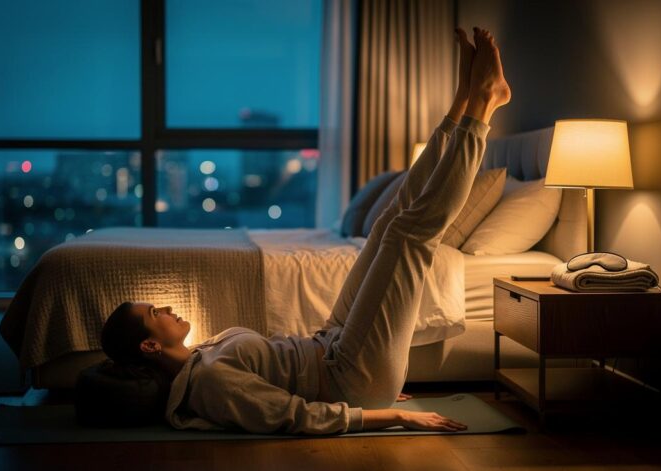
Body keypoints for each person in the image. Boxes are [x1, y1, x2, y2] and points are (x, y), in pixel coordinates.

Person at [100, 27, 511, 435]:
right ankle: (482, 107)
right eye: (155, 313)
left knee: (391, 219)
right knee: (410, 233)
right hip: (347, 375)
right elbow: (293, 414)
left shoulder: (200, 357)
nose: (167, 309)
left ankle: (465, 100)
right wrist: (393, 414)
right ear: (150, 346)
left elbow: (283, 375)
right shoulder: (208, 381)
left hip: (335, 349)